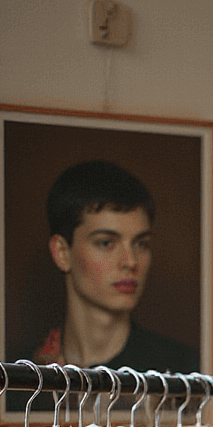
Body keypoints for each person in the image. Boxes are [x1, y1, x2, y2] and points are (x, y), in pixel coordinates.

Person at [35, 158, 197, 373]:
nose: (130, 262)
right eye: (106, 243)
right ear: (62, 253)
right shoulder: (23, 374)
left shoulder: (182, 369)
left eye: (141, 244)